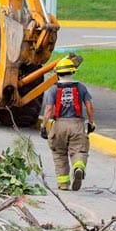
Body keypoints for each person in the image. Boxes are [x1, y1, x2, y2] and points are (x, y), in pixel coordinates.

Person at [40, 57, 96, 191]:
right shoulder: (81, 87)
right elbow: (89, 106)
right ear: (73, 72)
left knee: (59, 153)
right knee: (79, 150)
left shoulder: (53, 91)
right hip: (77, 125)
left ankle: (63, 183)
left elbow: (49, 109)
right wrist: (91, 122)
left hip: (59, 125)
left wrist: (43, 125)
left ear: (57, 74)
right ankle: (78, 167)